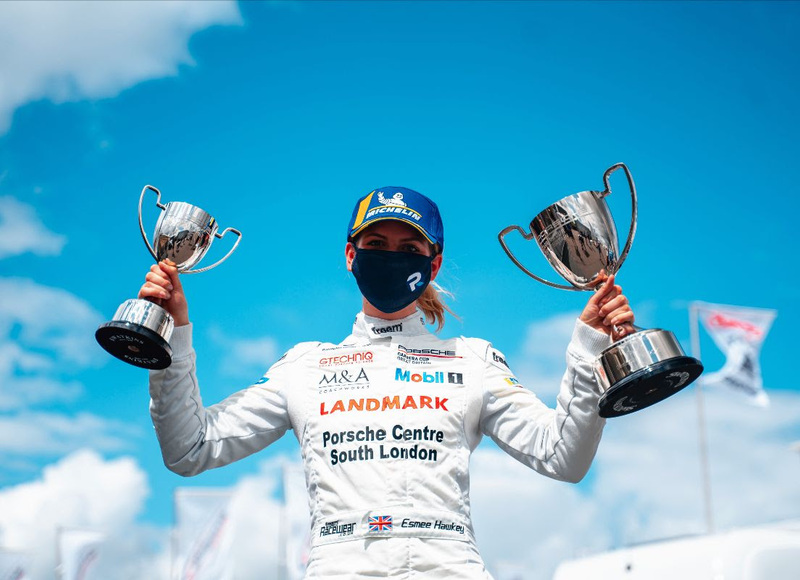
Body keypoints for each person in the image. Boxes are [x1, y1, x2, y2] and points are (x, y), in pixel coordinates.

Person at [143, 186, 634, 579]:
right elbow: (189, 448)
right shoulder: (304, 366)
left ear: (433, 263)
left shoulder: (472, 360)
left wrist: (590, 344)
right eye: (376, 245)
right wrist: (174, 336)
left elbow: (563, 457)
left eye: (408, 247)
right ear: (351, 256)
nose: (391, 256)